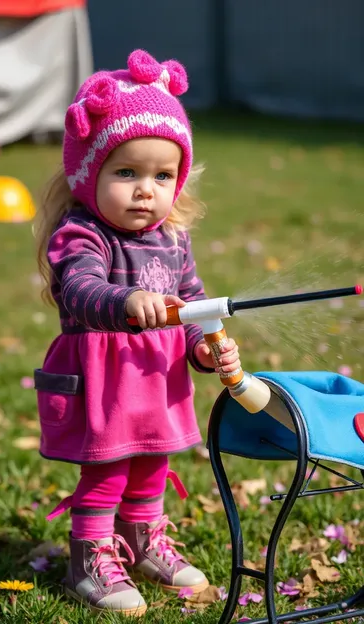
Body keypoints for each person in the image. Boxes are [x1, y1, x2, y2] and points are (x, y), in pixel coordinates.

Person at [34, 49, 241, 617]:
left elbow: (194, 301)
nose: (146, 190)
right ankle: (90, 558)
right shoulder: (81, 233)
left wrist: (205, 343)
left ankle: (146, 539)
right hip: (103, 376)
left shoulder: (173, 238)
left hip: (156, 377)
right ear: (88, 174)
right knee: (106, 466)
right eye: (126, 172)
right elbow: (77, 289)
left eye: (162, 175)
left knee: (153, 461)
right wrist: (127, 300)